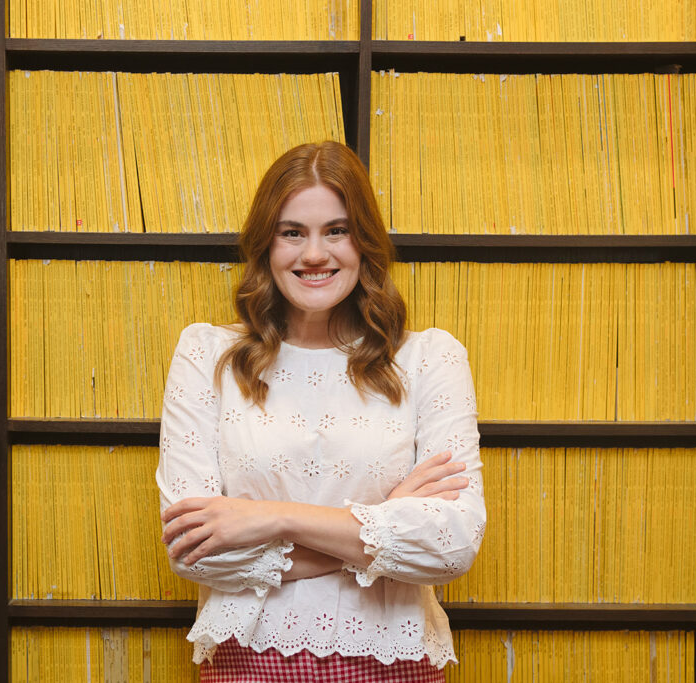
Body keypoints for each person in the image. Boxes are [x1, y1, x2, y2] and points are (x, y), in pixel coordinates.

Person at [156, 140, 485, 681]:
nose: (314, 254)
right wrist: (383, 523)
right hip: (247, 663)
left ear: (365, 243)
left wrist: (273, 517)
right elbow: (194, 553)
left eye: (337, 230)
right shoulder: (206, 355)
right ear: (266, 245)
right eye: (292, 233)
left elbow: (451, 546)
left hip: (398, 663)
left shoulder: (430, 358)